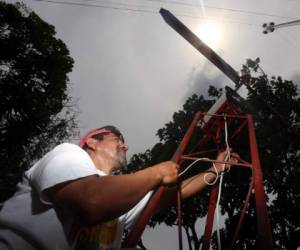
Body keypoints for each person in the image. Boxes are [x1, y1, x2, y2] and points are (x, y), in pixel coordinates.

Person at [0, 125, 238, 250]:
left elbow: (177, 192)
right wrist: (156, 172)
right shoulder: (68, 154)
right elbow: (91, 202)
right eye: (117, 139)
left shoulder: (122, 197)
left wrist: (215, 169)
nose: (125, 146)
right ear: (92, 142)